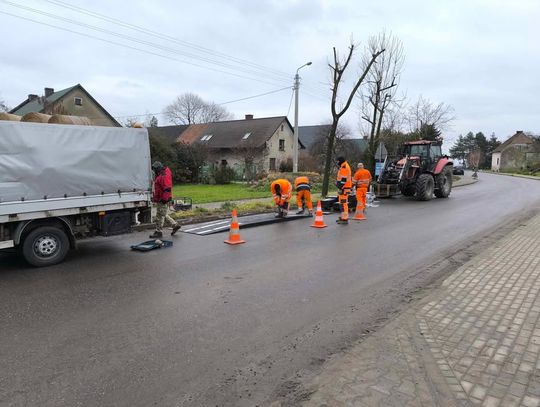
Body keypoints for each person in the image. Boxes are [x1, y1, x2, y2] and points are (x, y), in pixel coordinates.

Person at [150, 161, 181, 238]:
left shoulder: (163, 175)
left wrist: (164, 199)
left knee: (159, 215)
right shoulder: (162, 174)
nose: (154, 171)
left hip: (163, 199)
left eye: (155, 169)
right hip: (162, 198)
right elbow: (161, 189)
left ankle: (158, 231)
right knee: (162, 213)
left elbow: (167, 188)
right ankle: (174, 225)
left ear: (158, 169)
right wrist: (155, 198)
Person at [335, 156, 352, 224]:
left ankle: (345, 218)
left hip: (344, 188)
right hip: (345, 188)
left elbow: (343, 180)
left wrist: (340, 188)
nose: (337, 162)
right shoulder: (344, 166)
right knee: (342, 203)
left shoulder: (344, 167)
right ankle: (343, 217)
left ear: (340, 161)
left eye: (337, 161)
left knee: (343, 203)